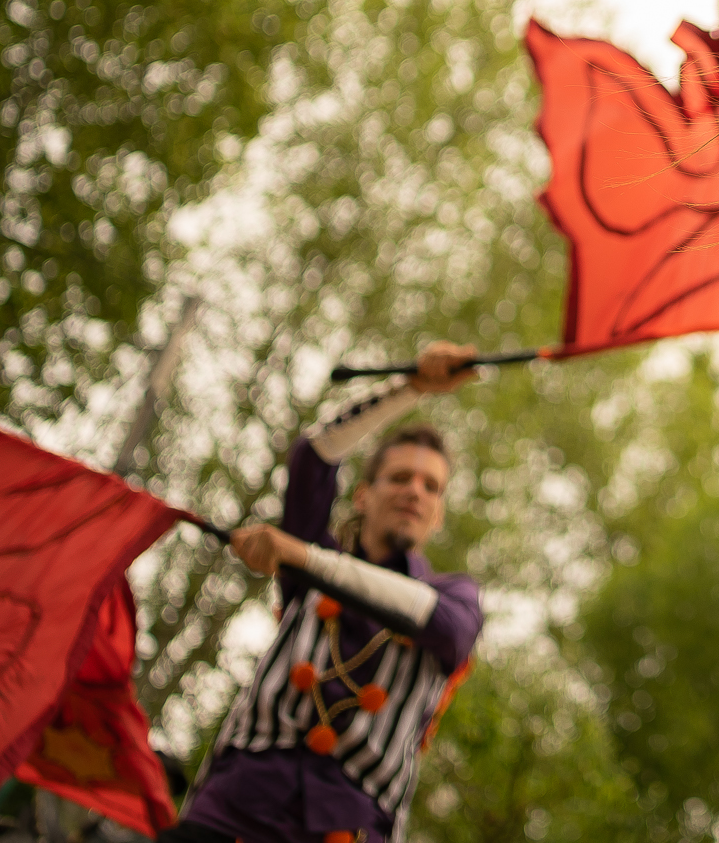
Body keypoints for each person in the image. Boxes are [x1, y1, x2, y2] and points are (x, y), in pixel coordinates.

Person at [159, 344, 485, 843]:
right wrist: (412, 387)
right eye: (400, 477)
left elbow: (448, 628)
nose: (415, 491)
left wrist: (302, 557)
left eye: (431, 486)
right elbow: (315, 454)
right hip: (234, 810)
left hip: (350, 826)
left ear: (438, 513)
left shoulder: (454, 595)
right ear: (363, 494)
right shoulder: (310, 547)